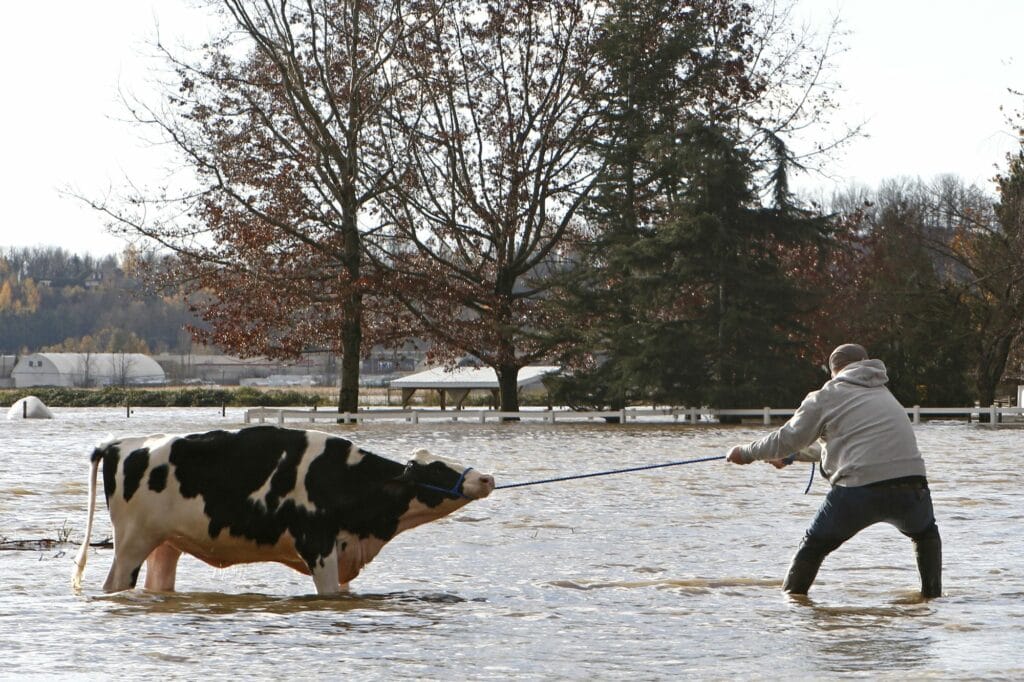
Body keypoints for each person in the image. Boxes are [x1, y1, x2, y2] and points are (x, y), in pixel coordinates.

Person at [726, 343, 942, 599]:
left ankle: (791, 604)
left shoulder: (826, 395)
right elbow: (848, 446)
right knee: (926, 535)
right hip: (913, 488)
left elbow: (787, 438)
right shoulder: (884, 395)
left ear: (834, 371)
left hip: (859, 492)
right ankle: (931, 600)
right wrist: (793, 456)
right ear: (865, 364)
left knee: (813, 546)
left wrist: (746, 453)